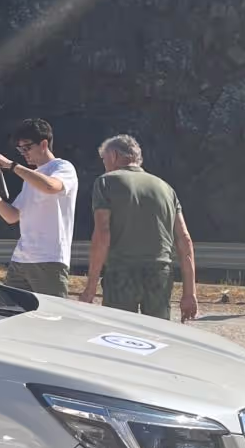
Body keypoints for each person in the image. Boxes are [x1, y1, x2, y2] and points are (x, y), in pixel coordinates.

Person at [80, 134, 199, 322]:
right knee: (157, 334)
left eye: (104, 159)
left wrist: (91, 286)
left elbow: (102, 233)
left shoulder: (105, 182)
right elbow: (184, 239)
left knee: (119, 332)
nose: (104, 164)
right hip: (160, 272)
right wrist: (189, 293)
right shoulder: (166, 188)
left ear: (114, 156)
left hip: (122, 271)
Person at [0, 118, 78, 297]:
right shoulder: (31, 178)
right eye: (20, 149)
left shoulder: (63, 167)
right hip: (20, 259)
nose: (24, 153)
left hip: (50, 259)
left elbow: (51, 186)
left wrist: (12, 166)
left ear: (44, 144)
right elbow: (12, 216)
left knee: (52, 313)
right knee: (12, 310)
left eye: (27, 148)